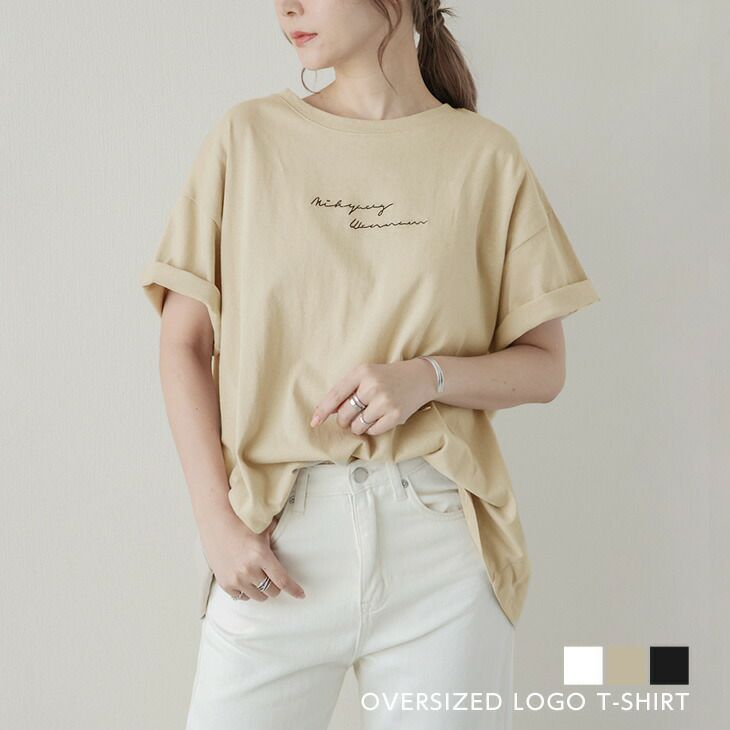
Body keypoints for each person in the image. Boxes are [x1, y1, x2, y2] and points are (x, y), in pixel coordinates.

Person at [139, 1, 600, 728]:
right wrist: (215, 523)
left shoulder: (485, 156)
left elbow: (545, 366)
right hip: (277, 541)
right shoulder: (248, 138)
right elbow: (182, 344)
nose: (288, 6)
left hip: (438, 543)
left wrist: (427, 377)